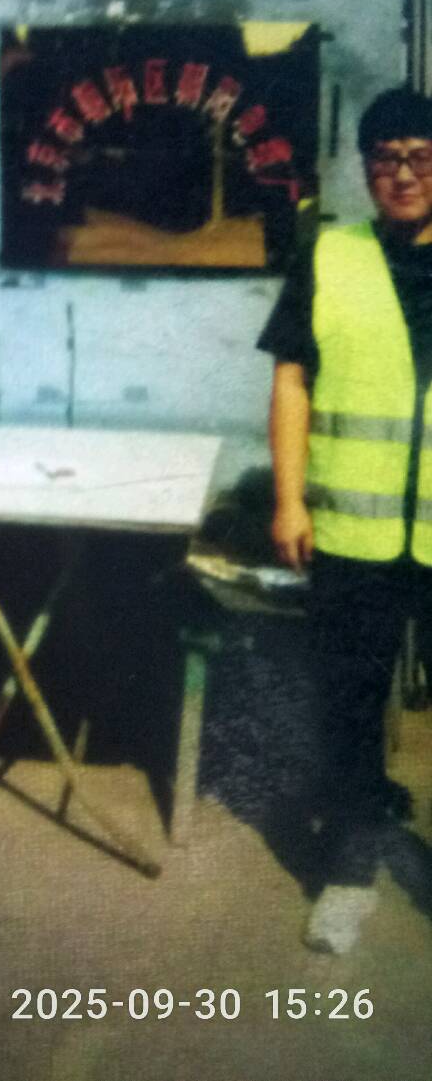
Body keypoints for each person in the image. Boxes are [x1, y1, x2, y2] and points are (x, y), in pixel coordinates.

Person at [259, 85, 432, 954]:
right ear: (365, 169)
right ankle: (350, 872)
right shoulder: (330, 255)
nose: (402, 174)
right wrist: (289, 497)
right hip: (352, 537)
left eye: (420, 156)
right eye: (385, 158)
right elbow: (292, 380)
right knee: (351, 708)